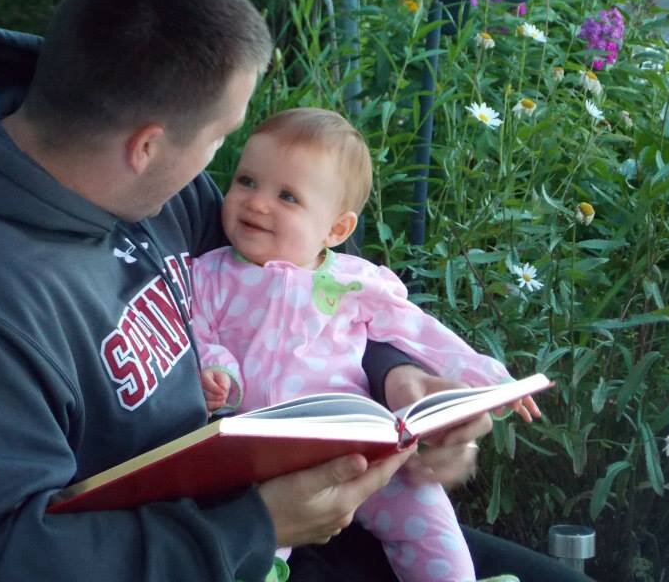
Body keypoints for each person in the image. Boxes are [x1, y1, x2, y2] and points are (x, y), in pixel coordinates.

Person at [0, 0, 485, 582]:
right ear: (146, 145)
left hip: (256, 523)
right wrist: (253, 527)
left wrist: (393, 372)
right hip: (205, 548)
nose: (219, 175)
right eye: (216, 141)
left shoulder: (141, 184)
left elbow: (277, 277)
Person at [192, 108, 541, 582]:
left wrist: (488, 381)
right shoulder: (211, 273)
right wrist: (221, 373)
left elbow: (417, 331)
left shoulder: (354, 280)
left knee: (425, 515)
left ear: (336, 230)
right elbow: (197, 332)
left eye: (287, 196)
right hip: (264, 455)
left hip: (359, 442)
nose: (256, 203)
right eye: (246, 181)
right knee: (261, 534)